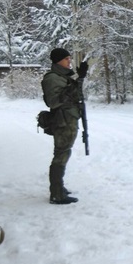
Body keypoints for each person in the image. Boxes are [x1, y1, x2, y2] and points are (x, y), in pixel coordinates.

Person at [41, 48, 86, 205]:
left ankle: (58, 188)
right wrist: (77, 81)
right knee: (61, 154)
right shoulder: (52, 78)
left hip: (69, 119)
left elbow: (75, 95)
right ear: (58, 60)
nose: (69, 61)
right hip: (62, 121)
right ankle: (56, 193)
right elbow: (54, 101)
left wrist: (79, 79)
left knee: (64, 153)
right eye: (66, 59)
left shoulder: (63, 77)